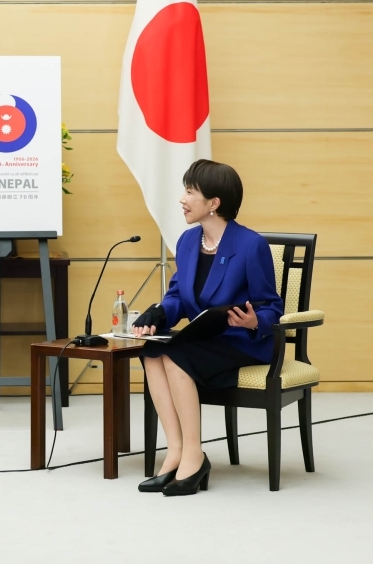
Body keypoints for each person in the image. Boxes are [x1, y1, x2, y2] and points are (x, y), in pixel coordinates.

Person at [132, 159, 283, 496]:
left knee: (176, 355)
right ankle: (175, 452)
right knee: (153, 349)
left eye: (190, 192)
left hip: (241, 341)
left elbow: (271, 304)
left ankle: (194, 456)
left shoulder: (250, 245)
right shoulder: (187, 242)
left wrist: (255, 319)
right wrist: (159, 313)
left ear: (214, 203)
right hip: (204, 339)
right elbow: (178, 297)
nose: (182, 199)